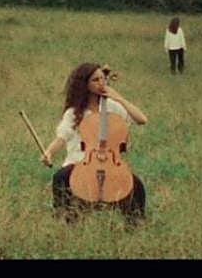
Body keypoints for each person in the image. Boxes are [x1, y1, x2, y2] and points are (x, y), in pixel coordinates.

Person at [40, 63, 149, 223]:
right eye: (95, 80)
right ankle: (64, 220)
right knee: (60, 177)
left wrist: (117, 97)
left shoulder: (112, 106)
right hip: (79, 161)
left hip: (110, 163)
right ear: (85, 84)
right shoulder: (74, 111)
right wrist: (49, 152)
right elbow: (62, 137)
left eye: (102, 79)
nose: (101, 83)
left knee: (136, 186)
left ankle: (135, 225)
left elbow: (141, 119)